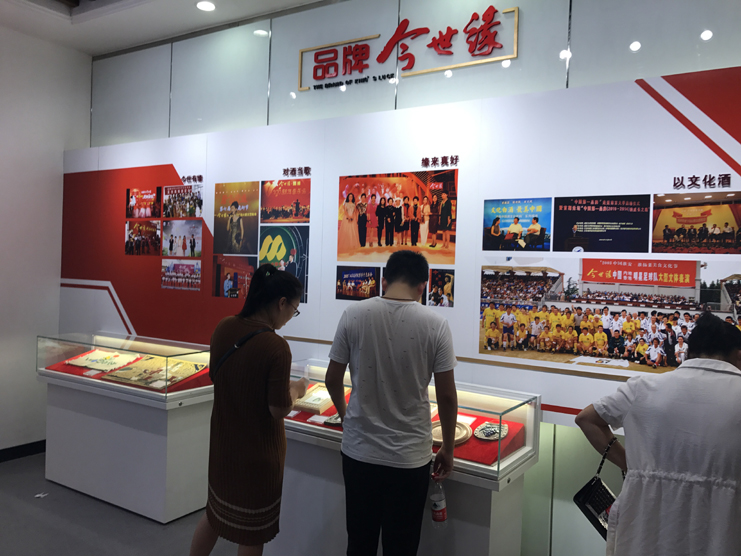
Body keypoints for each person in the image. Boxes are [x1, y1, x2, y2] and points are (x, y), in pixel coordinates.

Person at [325, 250, 458, 556]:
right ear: (423, 286)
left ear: (384, 281)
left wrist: (346, 417)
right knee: (402, 546)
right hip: (409, 458)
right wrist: (448, 448)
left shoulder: (353, 314)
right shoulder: (436, 324)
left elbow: (332, 379)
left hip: (359, 453)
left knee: (359, 543)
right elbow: (447, 396)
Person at [575, 313, 741, 556]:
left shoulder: (642, 388)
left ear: (688, 352)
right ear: (738, 355)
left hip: (644, 533)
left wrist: (632, 465)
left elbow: (586, 419)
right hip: (722, 532)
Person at [189, 265, 308, 556]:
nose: (291, 317)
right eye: (294, 310)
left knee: (214, 515)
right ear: (281, 303)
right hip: (258, 458)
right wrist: (298, 389)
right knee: (253, 531)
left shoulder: (224, 326)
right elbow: (278, 409)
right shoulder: (276, 346)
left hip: (223, 447)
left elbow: (220, 376)